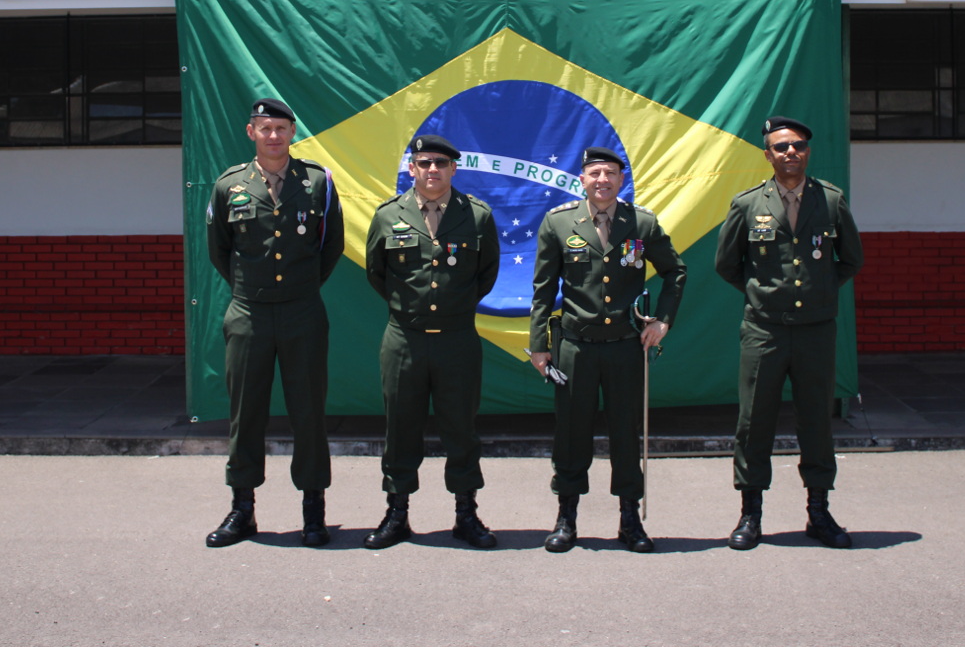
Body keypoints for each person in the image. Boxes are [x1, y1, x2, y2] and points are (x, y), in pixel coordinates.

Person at [714, 115, 865, 551]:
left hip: (816, 331)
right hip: (765, 331)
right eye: (781, 147)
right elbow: (727, 264)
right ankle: (750, 514)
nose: (790, 153)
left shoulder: (831, 201)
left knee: (816, 421)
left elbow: (850, 259)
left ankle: (819, 512)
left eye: (797, 145)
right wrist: (766, 294)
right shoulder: (747, 205)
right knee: (753, 422)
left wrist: (818, 292)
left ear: (808, 151)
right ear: (768, 155)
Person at [529, 146, 687, 553]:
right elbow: (543, 289)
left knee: (624, 434)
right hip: (575, 349)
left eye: (610, 173)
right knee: (570, 434)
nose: (603, 180)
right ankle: (566, 517)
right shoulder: (559, 222)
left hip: (623, 348)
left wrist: (663, 320)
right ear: (582, 179)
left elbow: (675, 271)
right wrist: (538, 346)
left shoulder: (642, 224)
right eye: (595, 173)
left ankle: (630, 520)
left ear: (621, 180)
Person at [203, 98, 344, 548]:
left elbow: (331, 246)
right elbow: (219, 250)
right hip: (249, 314)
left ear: (292, 132)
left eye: (281, 128)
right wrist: (256, 290)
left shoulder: (318, 183)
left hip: (302, 312)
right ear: (251, 132)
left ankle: (313, 512)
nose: (274, 136)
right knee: (246, 415)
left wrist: (298, 289)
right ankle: (241, 510)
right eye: (265, 128)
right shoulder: (230, 185)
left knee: (309, 413)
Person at [363, 134, 501, 549]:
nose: (432, 170)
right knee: (400, 429)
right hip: (404, 338)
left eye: (441, 163)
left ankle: (466, 514)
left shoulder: (476, 216)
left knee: (461, 428)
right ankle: (396, 513)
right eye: (424, 163)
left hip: (457, 340)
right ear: (413, 169)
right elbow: (377, 272)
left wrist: (451, 309)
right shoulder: (389, 215)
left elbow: (486, 274)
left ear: (454, 169)